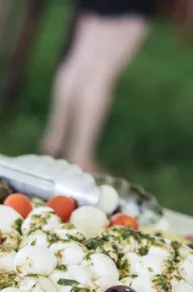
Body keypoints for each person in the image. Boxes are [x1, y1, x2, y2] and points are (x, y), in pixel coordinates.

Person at [39, 0, 153, 174]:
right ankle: (80, 154)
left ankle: (54, 140)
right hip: (127, 8)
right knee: (100, 74)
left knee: (79, 61)